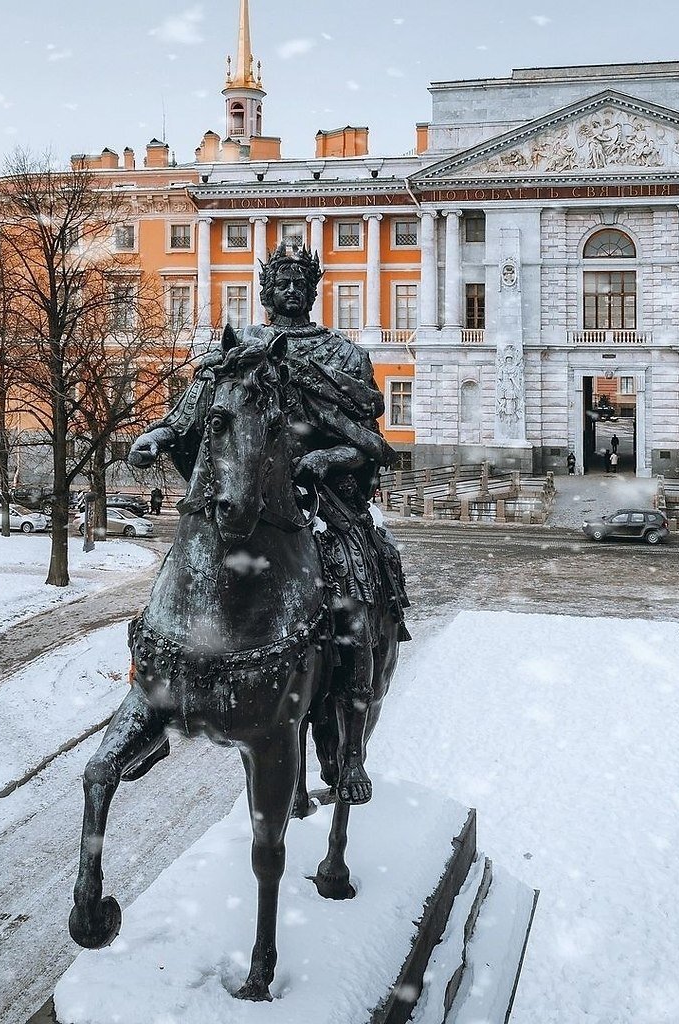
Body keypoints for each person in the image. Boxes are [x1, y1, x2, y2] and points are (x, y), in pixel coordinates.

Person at [129, 242, 410, 806]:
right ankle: (154, 697)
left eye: (299, 279)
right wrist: (160, 433)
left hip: (325, 500)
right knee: (182, 576)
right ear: (265, 289)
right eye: (279, 278)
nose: (289, 287)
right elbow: (198, 408)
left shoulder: (343, 355)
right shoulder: (241, 349)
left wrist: (326, 460)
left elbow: (369, 444)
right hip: (248, 492)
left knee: (354, 595)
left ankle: (349, 748)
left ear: (313, 289)